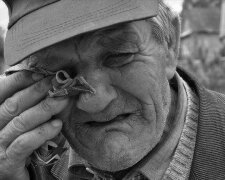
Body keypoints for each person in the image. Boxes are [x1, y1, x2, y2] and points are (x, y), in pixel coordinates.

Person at [1, 0, 225, 180]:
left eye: (119, 56)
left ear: (169, 45)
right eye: (58, 73)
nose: (95, 101)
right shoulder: (23, 162)